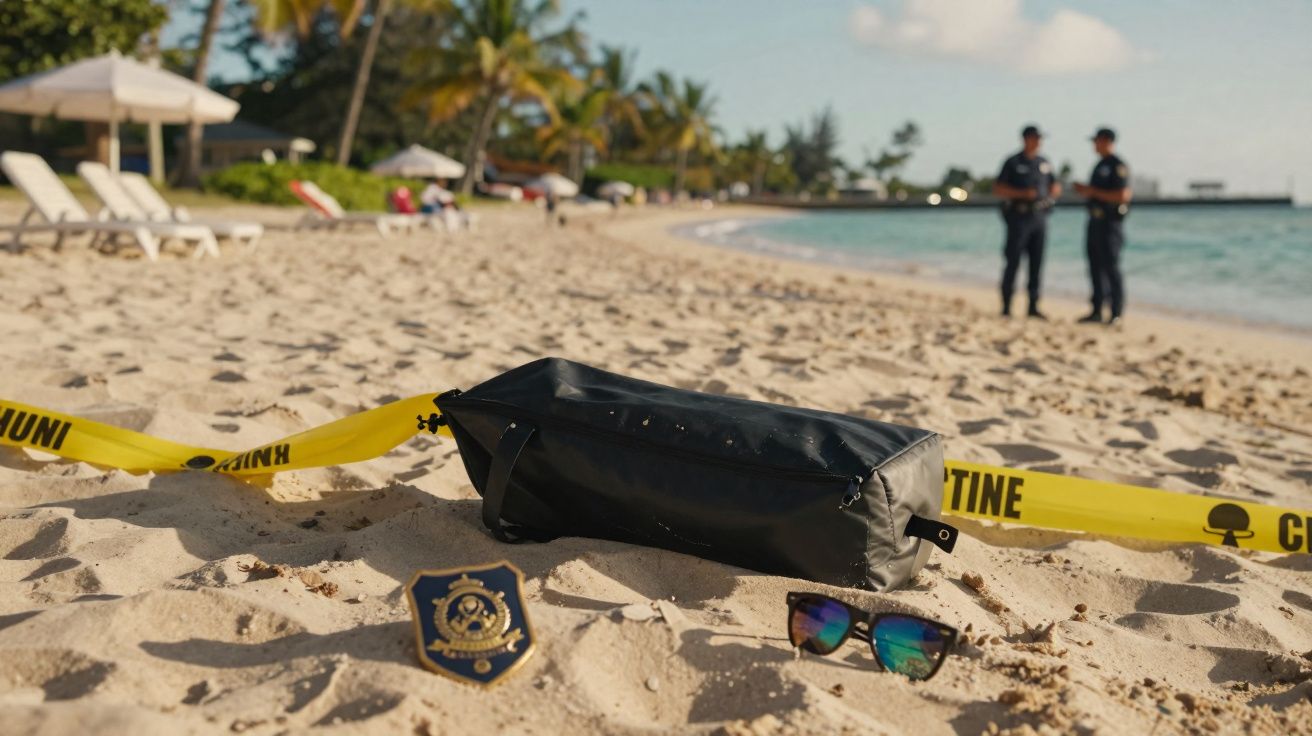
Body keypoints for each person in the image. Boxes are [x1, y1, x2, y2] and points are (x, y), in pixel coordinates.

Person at [992, 125, 1061, 319]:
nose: (1038, 142)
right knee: (1012, 261)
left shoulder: (1044, 162)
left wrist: (1050, 195)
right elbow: (998, 188)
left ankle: (1033, 306)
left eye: (1040, 138)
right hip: (1018, 218)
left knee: (1037, 264)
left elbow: (1055, 185)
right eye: (1035, 138)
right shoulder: (1013, 162)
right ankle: (1006, 306)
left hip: (1039, 218)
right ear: (1025, 139)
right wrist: (1022, 194)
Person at [1074, 128, 1132, 326]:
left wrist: (1092, 191)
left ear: (1106, 141)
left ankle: (1115, 312)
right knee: (1094, 267)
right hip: (1094, 222)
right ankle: (1097, 310)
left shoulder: (1117, 165)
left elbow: (1123, 196)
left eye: (1097, 141)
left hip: (1110, 224)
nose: (1094, 145)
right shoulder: (1099, 165)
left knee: (1111, 267)